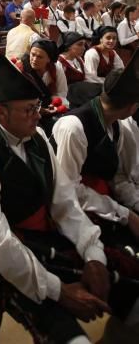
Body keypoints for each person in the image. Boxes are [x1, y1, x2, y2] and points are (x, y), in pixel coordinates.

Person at [0, 55, 139, 344]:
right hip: (8, 253)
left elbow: (64, 201)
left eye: (37, 108)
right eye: (28, 110)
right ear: (1, 113)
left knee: (131, 300)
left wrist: (92, 254)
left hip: (45, 237)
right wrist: (58, 290)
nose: (37, 115)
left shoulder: (39, 137)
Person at [51, 52, 139, 341]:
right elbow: (66, 190)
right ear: (132, 106)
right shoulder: (73, 127)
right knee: (125, 261)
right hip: (66, 211)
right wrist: (125, 214)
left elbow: (119, 176)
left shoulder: (121, 126)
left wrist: (131, 208)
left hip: (102, 202)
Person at [58, 32, 102, 107]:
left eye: (84, 45)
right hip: (70, 98)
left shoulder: (78, 59)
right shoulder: (60, 63)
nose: (84, 48)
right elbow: (59, 89)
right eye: (79, 44)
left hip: (82, 95)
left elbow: (89, 77)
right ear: (69, 46)